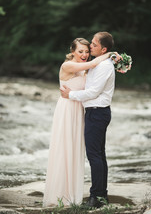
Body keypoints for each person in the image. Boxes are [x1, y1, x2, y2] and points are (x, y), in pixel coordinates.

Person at [43, 37, 117, 207]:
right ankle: (60, 193)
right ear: (72, 51)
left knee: (77, 151)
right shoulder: (68, 65)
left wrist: (114, 59)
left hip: (80, 111)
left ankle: (79, 194)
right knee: (64, 149)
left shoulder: (87, 69)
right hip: (67, 109)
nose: (84, 55)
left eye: (86, 51)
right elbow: (91, 65)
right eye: (80, 51)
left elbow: (94, 76)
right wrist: (111, 54)